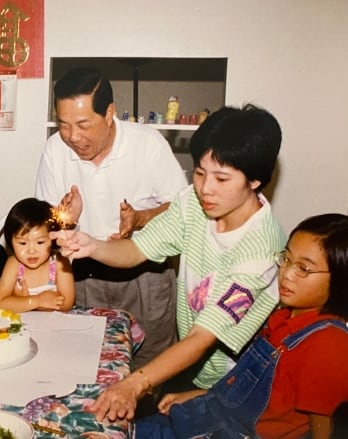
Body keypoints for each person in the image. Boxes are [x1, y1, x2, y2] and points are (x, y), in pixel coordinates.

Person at [54, 104, 286, 422]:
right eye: (201, 173)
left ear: (255, 181)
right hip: (191, 362)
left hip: (236, 379)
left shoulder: (259, 251)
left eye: (222, 178)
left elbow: (202, 338)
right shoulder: (194, 203)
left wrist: (135, 383)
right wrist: (91, 246)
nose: (206, 188)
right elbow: (137, 249)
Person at [135, 213, 348, 439]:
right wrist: (203, 395)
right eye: (286, 259)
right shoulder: (284, 316)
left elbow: (323, 432)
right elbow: (267, 398)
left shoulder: (328, 344)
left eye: (303, 268)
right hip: (215, 415)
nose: (287, 273)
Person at [35, 67, 188, 368]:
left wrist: (141, 219)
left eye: (82, 124)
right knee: (84, 365)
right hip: (82, 276)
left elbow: (183, 211)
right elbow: (45, 227)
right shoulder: (55, 150)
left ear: (109, 114)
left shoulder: (147, 144)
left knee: (148, 370)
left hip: (145, 276)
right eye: (63, 125)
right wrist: (65, 220)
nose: (73, 137)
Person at [0, 198, 75, 313]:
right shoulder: (14, 264)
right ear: (10, 242)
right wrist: (37, 301)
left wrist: (22, 302)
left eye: (40, 242)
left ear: (53, 239)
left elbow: (67, 303)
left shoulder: (59, 262)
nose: (31, 251)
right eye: (22, 243)